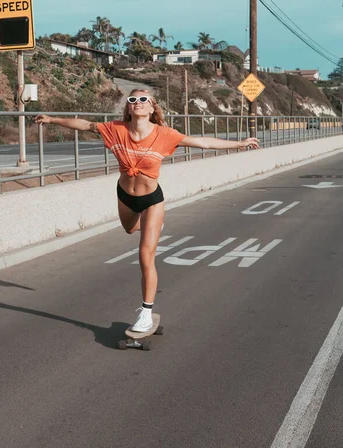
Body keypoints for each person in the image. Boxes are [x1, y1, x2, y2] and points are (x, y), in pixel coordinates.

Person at [35, 90, 259, 332]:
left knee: (145, 256)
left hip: (152, 200)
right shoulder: (116, 129)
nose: (138, 103)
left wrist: (239, 143)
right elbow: (84, 124)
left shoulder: (165, 135)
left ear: (152, 108)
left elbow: (203, 142)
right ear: (129, 108)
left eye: (144, 100)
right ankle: (150, 225)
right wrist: (52, 119)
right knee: (130, 229)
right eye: (133, 100)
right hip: (125, 196)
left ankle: (146, 312)